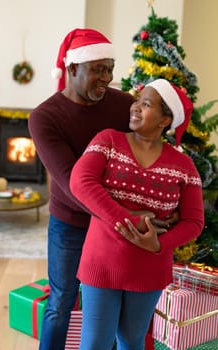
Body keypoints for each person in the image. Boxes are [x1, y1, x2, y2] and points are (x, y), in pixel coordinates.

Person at [28, 28, 176, 349]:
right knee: (61, 302)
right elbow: (71, 184)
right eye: (98, 69)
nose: (107, 77)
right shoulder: (44, 117)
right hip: (73, 224)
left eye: (110, 68)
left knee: (112, 305)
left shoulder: (124, 105)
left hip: (118, 229)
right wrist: (127, 215)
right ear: (72, 68)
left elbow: (148, 149)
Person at [70, 78, 205, 350]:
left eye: (146, 104)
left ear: (165, 120)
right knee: (95, 343)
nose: (135, 108)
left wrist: (158, 244)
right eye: (137, 101)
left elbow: (194, 221)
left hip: (149, 269)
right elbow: (80, 183)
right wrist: (132, 221)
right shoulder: (108, 140)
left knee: (132, 342)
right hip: (102, 262)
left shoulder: (184, 165)